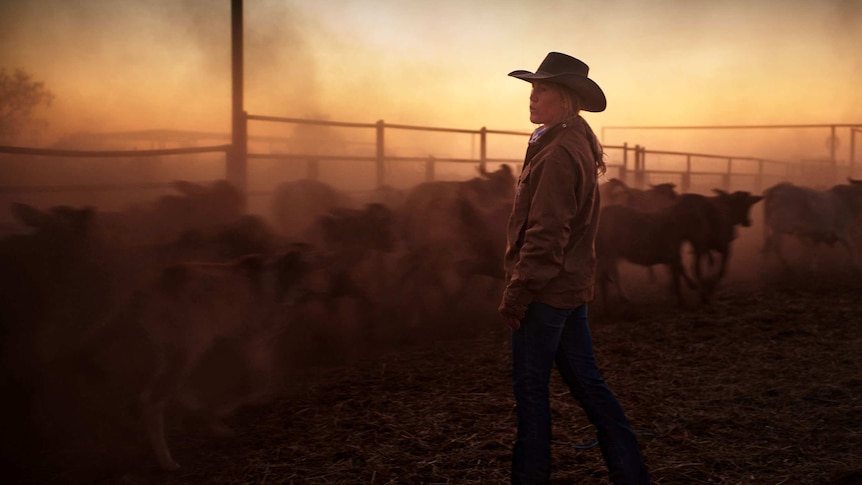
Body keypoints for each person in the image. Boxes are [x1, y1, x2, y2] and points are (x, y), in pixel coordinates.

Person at [498, 52, 651, 484]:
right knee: (589, 386)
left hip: (545, 294)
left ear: (564, 98)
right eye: (532, 88)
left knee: (531, 395)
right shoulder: (569, 140)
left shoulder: (558, 153)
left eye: (542, 89)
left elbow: (547, 234)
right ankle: (632, 474)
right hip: (569, 289)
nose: (532, 97)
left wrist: (517, 292)